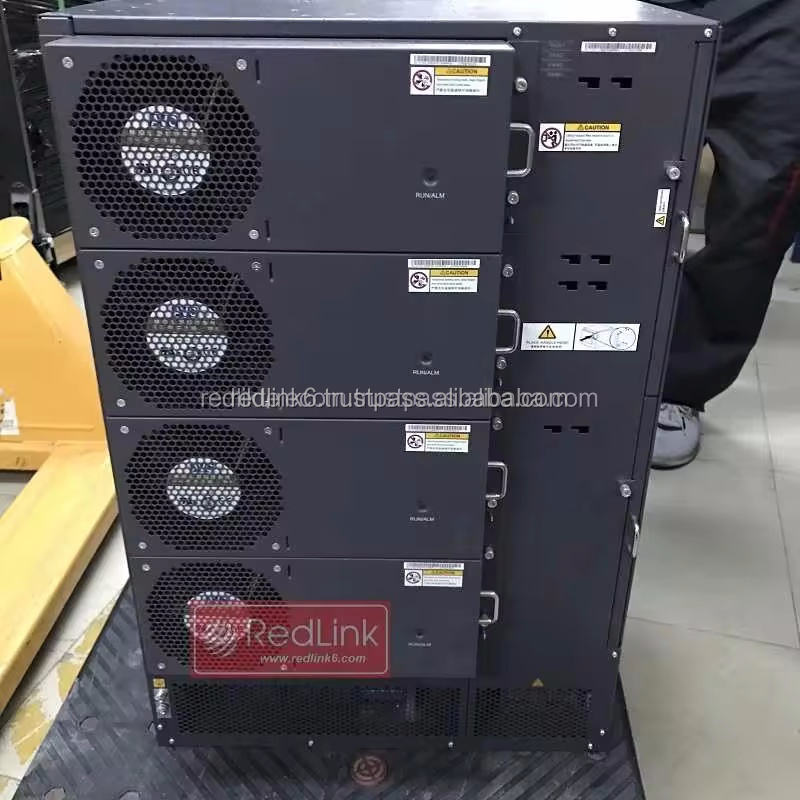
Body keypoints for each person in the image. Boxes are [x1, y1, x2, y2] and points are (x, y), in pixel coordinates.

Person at [649, 0, 800, 467]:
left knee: (757, 213)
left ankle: (680, 384)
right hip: (637, 9)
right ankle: (566, 360)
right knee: (588, 174)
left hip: (777, 18)